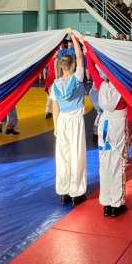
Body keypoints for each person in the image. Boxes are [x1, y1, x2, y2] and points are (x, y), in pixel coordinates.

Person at [88, 61, 132, 218]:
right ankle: (116, 203)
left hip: (104, 124)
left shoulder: (102, 86)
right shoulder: (123, 87)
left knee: (105, 162)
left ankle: (106, 202)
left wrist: (89, 53)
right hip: (118, 125)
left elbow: (92, 69)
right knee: (117, 162)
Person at [50, 32, 87, 206]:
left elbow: (55, 107)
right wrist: (73, 36)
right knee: (76, 154)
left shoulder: (55, 84)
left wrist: (55, 127)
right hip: (75, 121)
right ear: (72, 66)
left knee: (63, 156)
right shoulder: (77, 78)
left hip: (62, 121)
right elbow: (79, 56)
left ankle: (63, 191)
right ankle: (76, 192)